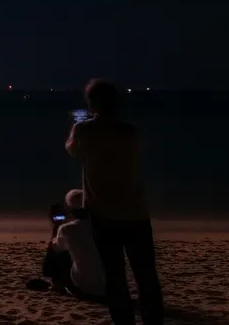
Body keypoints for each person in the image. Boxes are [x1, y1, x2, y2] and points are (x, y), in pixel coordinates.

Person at [67, 79, 163, 325]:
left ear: (92, 103)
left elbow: (72, 150)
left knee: (115, 275)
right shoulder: (132, 132)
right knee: (146, 275)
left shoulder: (84, 130)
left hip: (102, 213)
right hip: (135, 211)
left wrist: (78, 125)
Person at [43, 189, 105, 299]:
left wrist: (57, 226)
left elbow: (56, 248)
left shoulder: (67, 229)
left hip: (82, 287)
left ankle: (58, 283)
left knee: (59, 248)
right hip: (108, 286)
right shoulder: (103, 227)